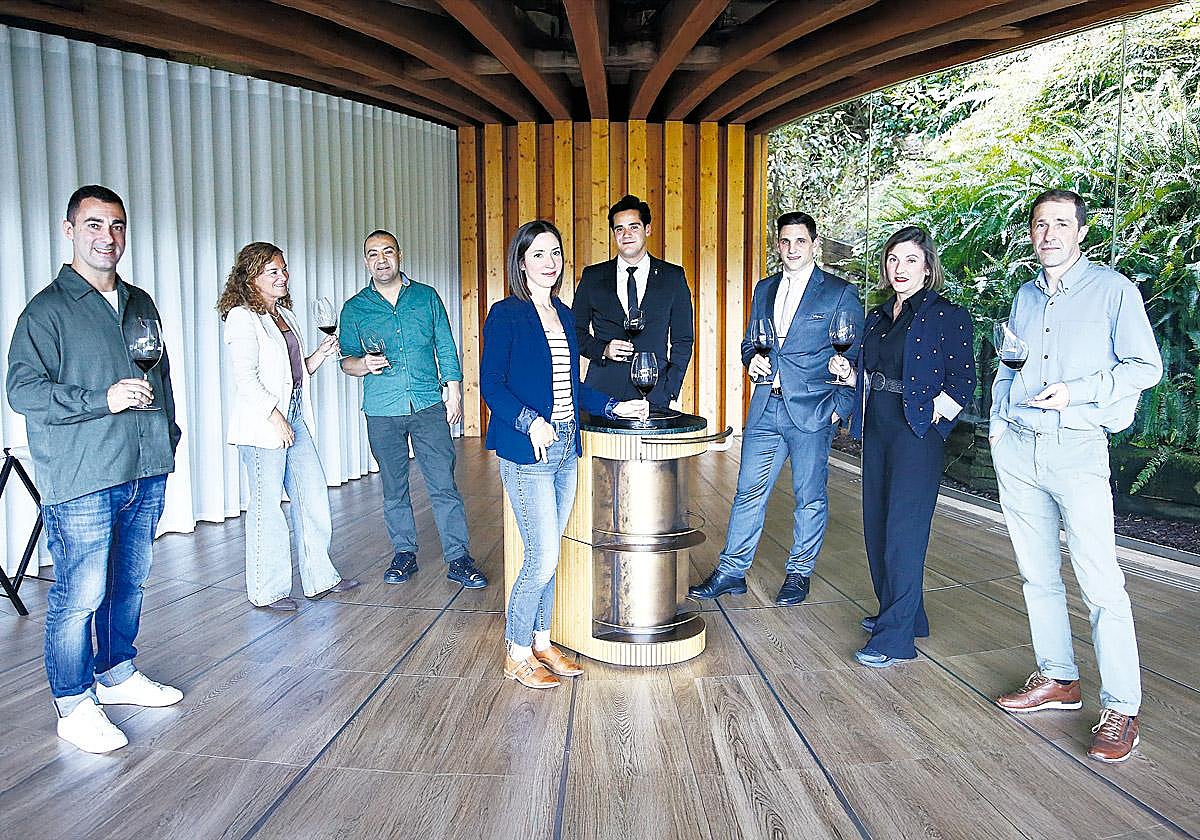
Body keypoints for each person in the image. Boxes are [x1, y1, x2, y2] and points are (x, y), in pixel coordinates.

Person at [6, 185, 183, 753]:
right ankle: (72, 703)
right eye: (94, 225)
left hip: (144, 467)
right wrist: (98, 400)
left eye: (117, 226)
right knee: (79, 595)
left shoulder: (140, 303)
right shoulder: (46, 311)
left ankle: (115, 675)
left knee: (128, 585)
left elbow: (161, 378)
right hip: (83, 476)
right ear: (69, 230)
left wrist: (169, 438)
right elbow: (22, 391)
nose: (107, 237)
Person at [990, 189, 1161, 763]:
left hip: (1078, 447)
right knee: (1036, 575)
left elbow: (1146, 367)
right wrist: (998, 423)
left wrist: (1076, 393)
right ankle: (1059, 679)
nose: (1048, 234)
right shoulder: (1025, 295)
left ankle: (1121, 706)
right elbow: (1007, 363)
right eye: (1040, 224)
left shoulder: (1114, 291)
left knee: (1100, 582)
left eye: (1061, 224)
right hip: (1019, 449)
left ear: (1080, 232)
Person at [481, 220, 647, 690]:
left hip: (565, 448)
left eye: (555, 253)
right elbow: (492, 384)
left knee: (549, 556)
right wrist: (529, 420)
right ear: (521, 262)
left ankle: (541, 639)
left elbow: (571, 386)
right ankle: (516, 652)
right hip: (527, 451)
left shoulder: (564, 313)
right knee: (542, 556)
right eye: (538, 254)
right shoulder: (506, 314)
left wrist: (614, 405)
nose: (549, 262)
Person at [690, 212, 863, 606]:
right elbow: (751, 342)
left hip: (813, 411)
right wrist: (751, 359)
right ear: (778, 244)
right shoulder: (765, 289)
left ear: (815, 244)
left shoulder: (839, 292)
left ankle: (799, 573)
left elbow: (855, 354)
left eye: (800, 241)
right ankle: (732, 571)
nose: (792, 249)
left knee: (809, 497)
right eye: (785, 242)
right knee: (748, 491)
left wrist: (839, 408)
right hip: (767, 405)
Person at [837, 226, 976, 668]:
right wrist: (849, 374)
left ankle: (896, 639)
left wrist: (938, 419)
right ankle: (906, 614)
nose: (900, 268)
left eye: (911, 260)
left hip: (916, 433)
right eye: (893, 259)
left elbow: (965, 380)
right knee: (877, 524)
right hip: (878, 427)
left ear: (928, 266)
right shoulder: (879, 317)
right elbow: (872, 372)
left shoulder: (945, 315)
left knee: (903, 532)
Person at [339, 230, 486, 589]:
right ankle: (404, 554)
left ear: (399, 255)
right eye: (373, 254)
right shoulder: (355, 308)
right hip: (382, 409)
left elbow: (446, 346)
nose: (381, 259)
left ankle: (458, 558)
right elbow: (346, 360)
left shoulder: (426, 297)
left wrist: (454, 391)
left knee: (443, 484)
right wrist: (363, 365)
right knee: (393, 486)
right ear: (365, 261)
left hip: (427, 404)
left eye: (387, 251)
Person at [218, 242, 358, 611]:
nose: (284, 277)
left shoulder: (283, 314)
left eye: (284, 270)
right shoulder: (241, 317)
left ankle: (320, 578)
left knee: (312, 495)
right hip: (265, 424)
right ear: (252, 277)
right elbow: (245, 378)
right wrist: (275, 417)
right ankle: (268, 591)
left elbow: (293, 373)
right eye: (274, 272)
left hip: (293, 414)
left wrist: (320, 356)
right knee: (268, 508)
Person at [571, 194, 694, 407]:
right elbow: (574, 331)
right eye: (619, 229)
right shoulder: (592, 277)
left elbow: (683, 339)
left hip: (655, 394)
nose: (626, 234)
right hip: (602, 392)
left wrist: (670, 389)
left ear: (648, 229)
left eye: (634, 227)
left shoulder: (673, 277)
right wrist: (603, 349)